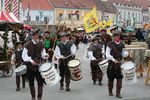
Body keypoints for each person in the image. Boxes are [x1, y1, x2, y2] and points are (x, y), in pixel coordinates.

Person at [22, 29, 49, 100]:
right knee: (31, 82)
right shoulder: (27, 44)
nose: (37, 36)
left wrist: (45, 55)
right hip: (30, 66)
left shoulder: (41, 43)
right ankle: (33, 97)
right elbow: (24, 56)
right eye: (35, 35)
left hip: (39, 65)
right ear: (32, 36)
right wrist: (30, 60)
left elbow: (43, 53)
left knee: (40, 81)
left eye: (37, 35)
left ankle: (39, 97)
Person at [106, 32, 125, 98]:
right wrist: (113, 59)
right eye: (115, 36)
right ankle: (110, 91)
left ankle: (118, 93)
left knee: (119, 78)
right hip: (112, 64)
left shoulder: (122, 44)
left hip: (119, 64)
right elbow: (107, 54)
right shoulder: (110, 44)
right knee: (111, 78)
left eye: (118, 36)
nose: (117, 37)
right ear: (113, 37)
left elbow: (123, 53)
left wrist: (124, 57)